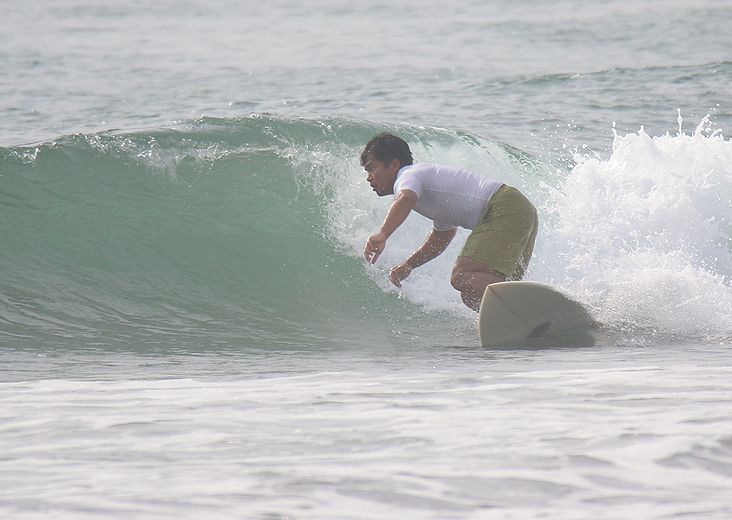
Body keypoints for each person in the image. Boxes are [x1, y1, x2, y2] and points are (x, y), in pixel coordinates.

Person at [361, 132, 538, 311]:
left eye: (371, 168)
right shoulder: (429, 187)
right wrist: (409, 265)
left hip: (503, 207)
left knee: (462, 275)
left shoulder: (407, 175)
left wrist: (383, 234)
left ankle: (532, 307)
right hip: (519, 209)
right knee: (473, 295)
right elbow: (441, 237)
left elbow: (405, 198)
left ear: (394, 165)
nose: (369, 177)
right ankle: (524, 317)